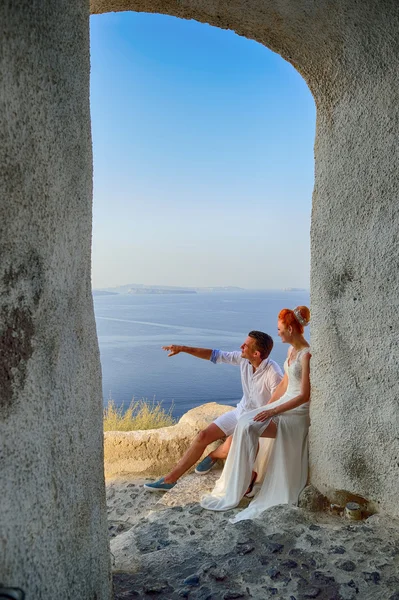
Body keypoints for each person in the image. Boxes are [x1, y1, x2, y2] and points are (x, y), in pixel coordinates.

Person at [200, 306, 311, 522]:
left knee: (249, 425)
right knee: (245, 421)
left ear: (290, 329)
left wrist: (274, 410)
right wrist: (266, 408)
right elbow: (285, 385)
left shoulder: (307, 355)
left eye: (280, 329)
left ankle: (244, 483)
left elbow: (304, 395)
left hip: (296, 413)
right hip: (282, 404)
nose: (277, 332)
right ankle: (238, 483)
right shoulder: (291, 352)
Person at [143, 331, 283, 492]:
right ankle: (169, 480)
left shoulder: (273, 373)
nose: (241, 347)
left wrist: (259, 422)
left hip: (257, 419)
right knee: (203, 436)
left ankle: (223, 460)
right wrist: (182, 348)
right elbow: (215, 355)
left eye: (245, 345)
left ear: (256, 353)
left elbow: (279, 403)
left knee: (233, 443)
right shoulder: (244, 359)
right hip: (241, 412)